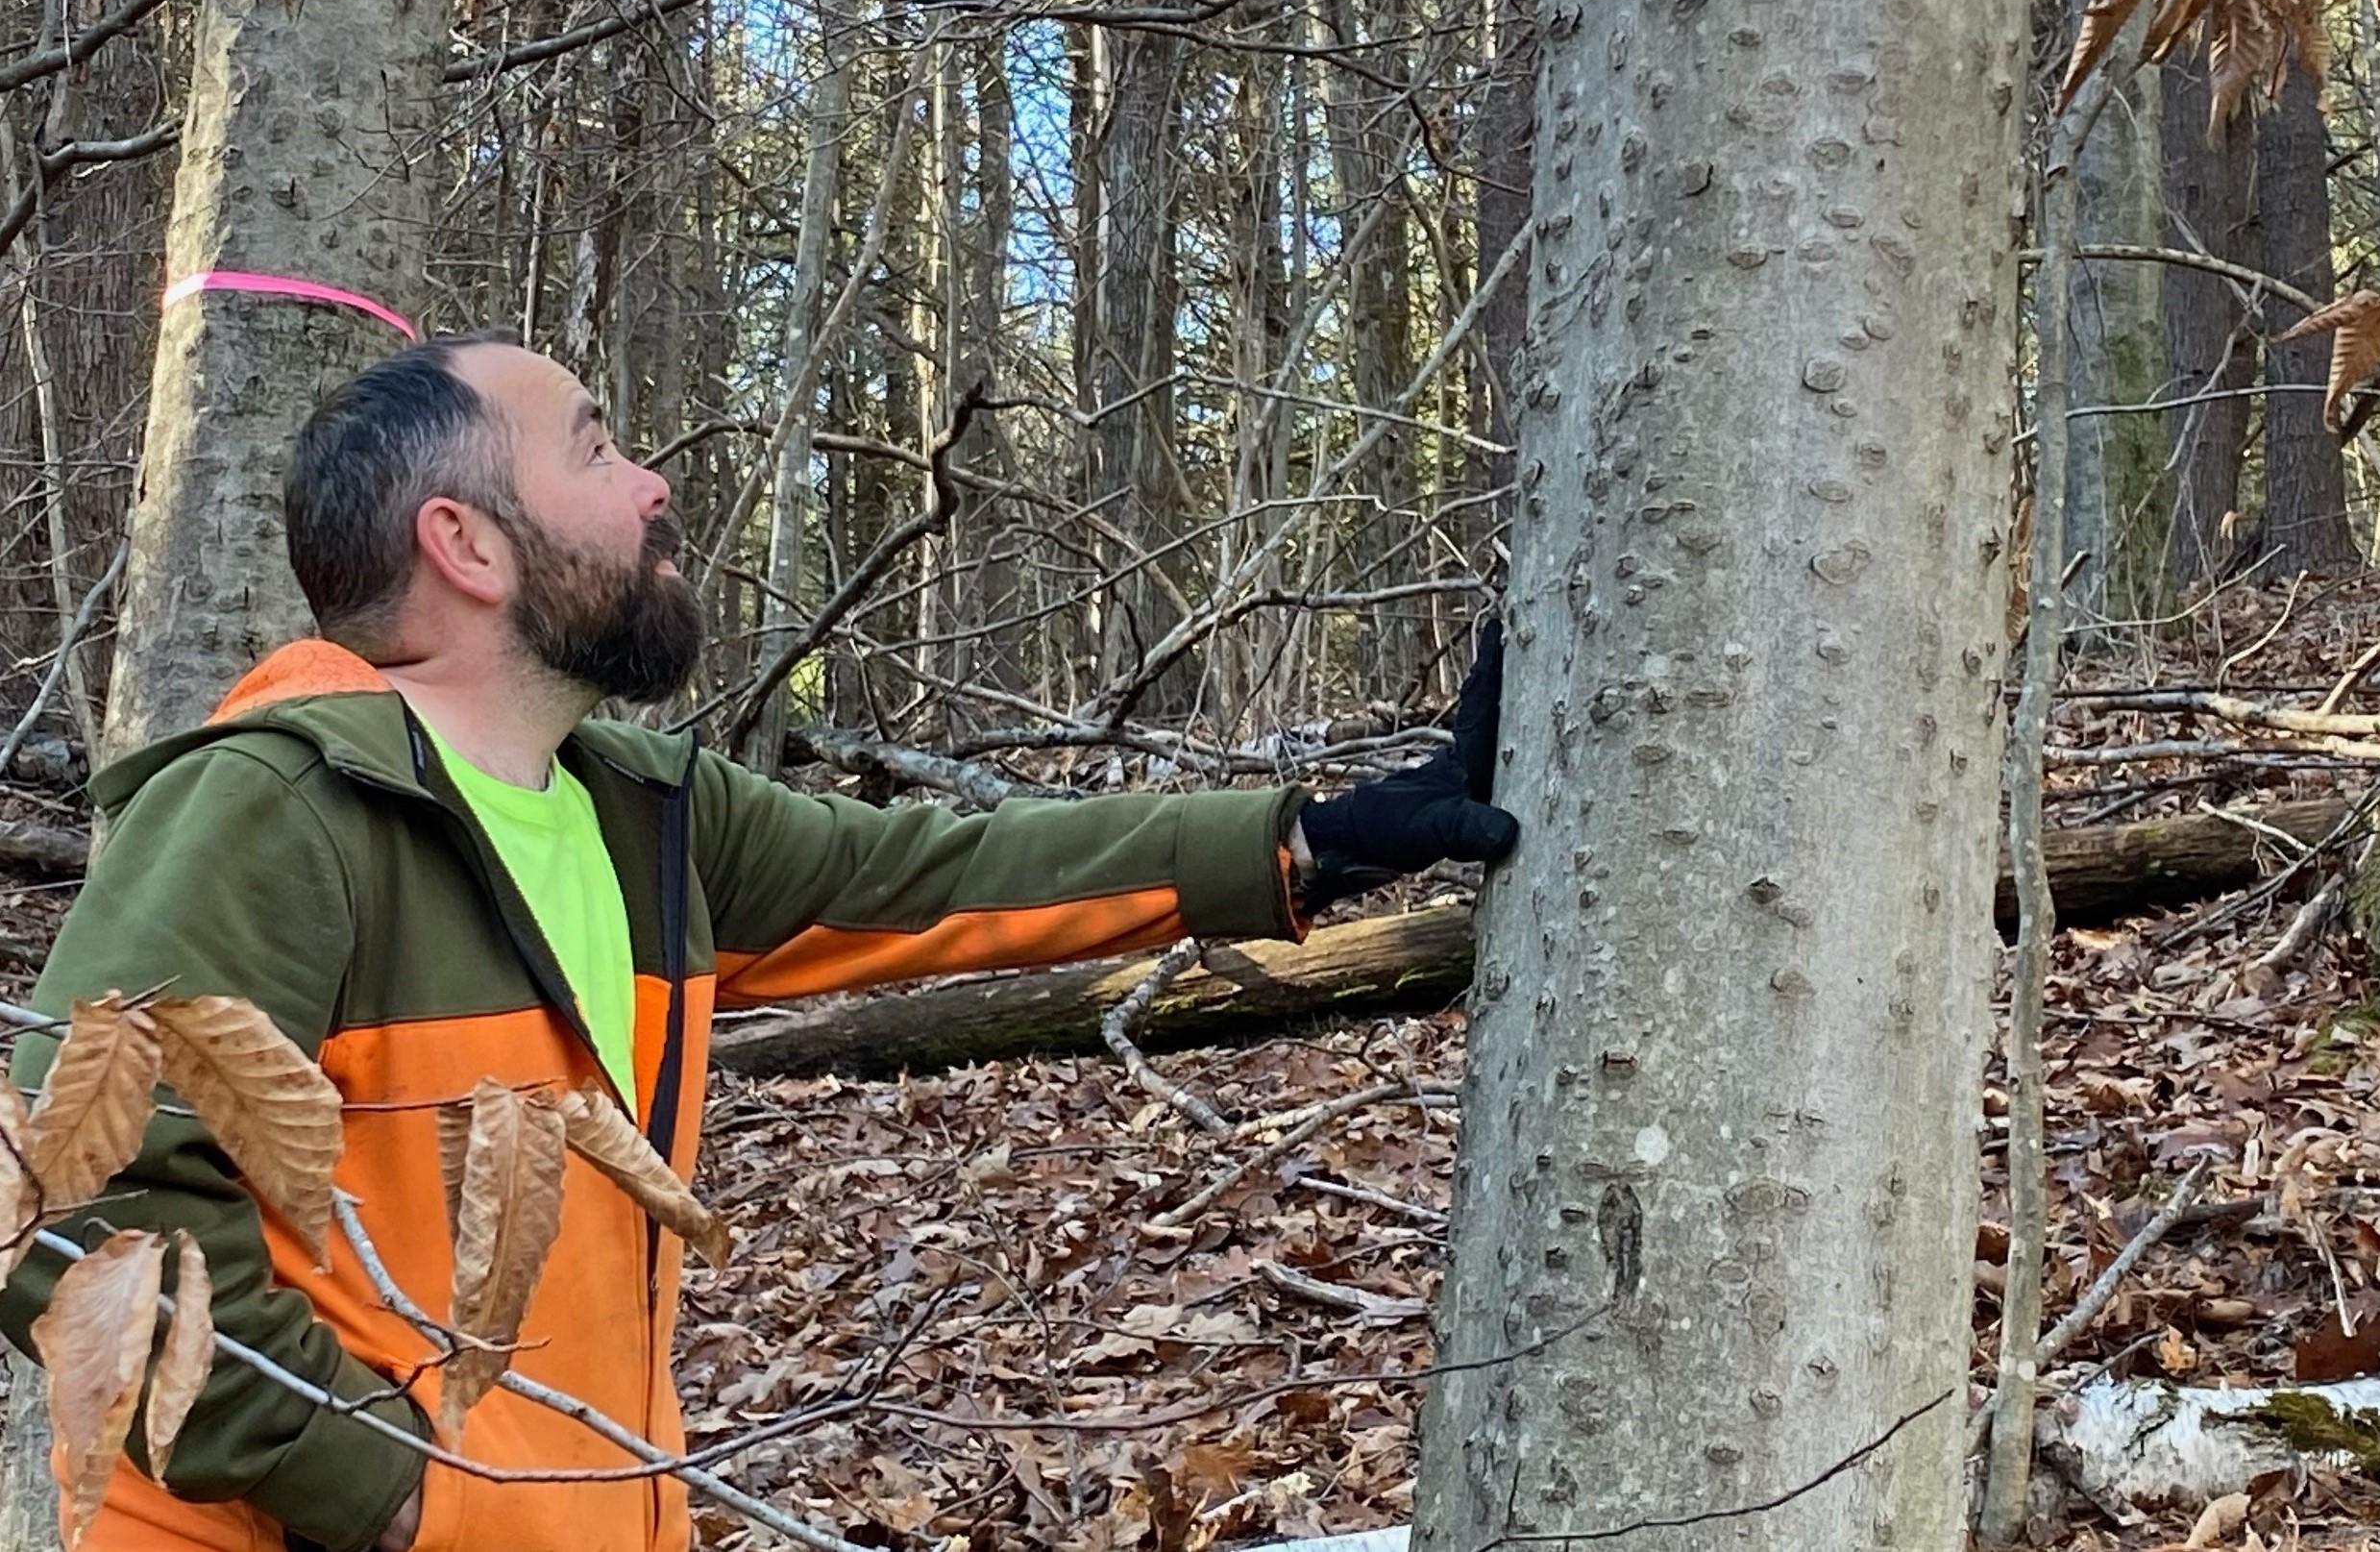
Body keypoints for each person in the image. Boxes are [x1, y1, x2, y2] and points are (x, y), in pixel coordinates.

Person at [0, 333, 1516, 1552]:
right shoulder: (273, 806)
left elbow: (940, 872)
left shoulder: (643, 810)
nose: (652, 480)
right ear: (462, 539)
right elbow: (58, 1200)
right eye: (593, 444)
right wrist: (385, 1492)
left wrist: (1322, 834)